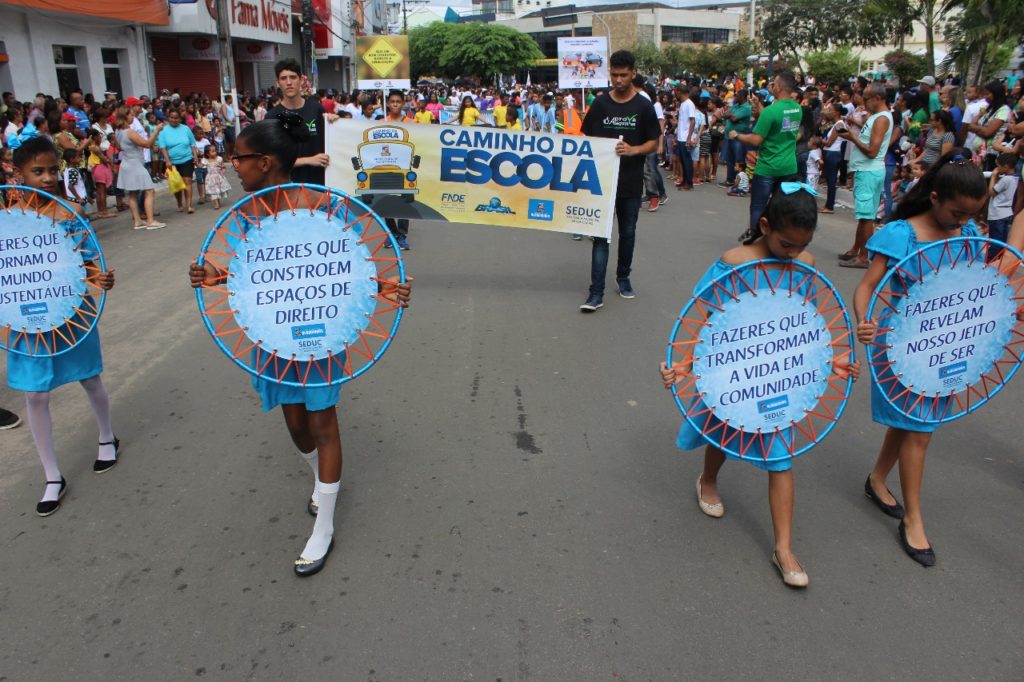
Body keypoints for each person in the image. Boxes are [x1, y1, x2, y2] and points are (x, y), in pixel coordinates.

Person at [189, 115, 411, 576]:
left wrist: (390, 288)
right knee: (295, 424)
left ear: (264, 162)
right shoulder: (244, 217)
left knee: (323, 423)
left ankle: (324, 527)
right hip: (271, 336)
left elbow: (348, 264)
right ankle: (319, 480)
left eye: (239, 159)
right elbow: (245, 278)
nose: (233, 167)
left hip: (322, 336)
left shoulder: (322, 206)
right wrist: (208, 277)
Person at [659, 186, 860, 588]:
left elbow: (807, 325)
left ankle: (783, 547)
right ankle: (709, 480)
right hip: (733, 371)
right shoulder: (733, 263)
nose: (792, 253)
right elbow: (701, 317)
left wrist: (832, 363)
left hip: (780, 375)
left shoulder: (804, 264)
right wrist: (680, 366)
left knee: (781, 458)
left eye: (801, 245)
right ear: (765, 226)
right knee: (725, 430)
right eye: (785, 243)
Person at [853, 149, 989, 567]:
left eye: (971, 214)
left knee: (911, 423)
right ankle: (913, 518)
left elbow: (975, 292)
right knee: (919, 431)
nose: (962, 220)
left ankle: (878, 479)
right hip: (900, 346)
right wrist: (865, 320)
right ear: (934, 198)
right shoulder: (900, 234)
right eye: (956, 212)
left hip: (946, 347)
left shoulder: (968, 239)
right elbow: (868, 286)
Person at [7, 136, 118, 517]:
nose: (47, 177)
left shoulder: (69, 214)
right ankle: (52, 475)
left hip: (71, 312)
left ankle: (107, 436)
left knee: (89, 377)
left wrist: (98, 279)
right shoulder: (6, 216)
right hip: (24, 322)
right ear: (17, 173)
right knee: (36, 395)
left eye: (53, 170)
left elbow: (88, 262)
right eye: (37, 171)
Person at [578, 50, 660, 312]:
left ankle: (623, 277)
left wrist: (634, 150)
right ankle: (596, 292)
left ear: (633, 74)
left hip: (629, 182)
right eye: (614, 74)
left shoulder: (644, 106)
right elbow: (585, 139)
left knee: (627, 233)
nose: (618, 80)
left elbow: (654, 143)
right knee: (601, 236)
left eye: (623, 75)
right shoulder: (601, 104)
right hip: (601, 182)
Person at [729, 71, 803, 236]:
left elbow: (756, 140)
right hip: (789, 166)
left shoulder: (771, 111)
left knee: (758, 206)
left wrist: (737, 135)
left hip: (768, 167)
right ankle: (776, 238)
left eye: (774, 84)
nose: (771, 86)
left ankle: (756, 238)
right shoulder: (797, 108)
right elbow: (776, 120)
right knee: (781, 206)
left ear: (780, 87)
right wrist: (759, 105)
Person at [837, 83, 894, 268]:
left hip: (869, 171)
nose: (863, 101)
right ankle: (856, 249)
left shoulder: (881, 119)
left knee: (866, 216)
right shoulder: (877, 117)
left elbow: (872, 151)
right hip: (868, 170)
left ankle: (863, 256)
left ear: (878, 98)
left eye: (867, 98)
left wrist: (852, 138)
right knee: (864, 215)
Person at [266, 58, 328, 185]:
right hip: (287, 189)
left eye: (293, 77)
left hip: (319, 186)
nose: (289, 82)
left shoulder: (317, 109)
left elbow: (333, 143)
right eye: (283, 78)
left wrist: (334, 121)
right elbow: (271, 160)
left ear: (301, 80)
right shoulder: (271, 117)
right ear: (278, 83)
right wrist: (308, 160)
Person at [113, 106, 165, 230]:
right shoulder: (129, 132)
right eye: (130, 115)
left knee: (133, 193)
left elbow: (118, 146)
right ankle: (150, 220)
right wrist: (156, 130)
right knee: (149, 190)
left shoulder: (118, 131)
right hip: (134, 163)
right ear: (125, 116)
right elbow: (146, 144)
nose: (133, 117)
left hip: (127, 162)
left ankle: (138, 221)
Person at [158, 107, 200, 214]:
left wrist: (195, 157)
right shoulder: (163, 131)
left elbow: (192, 144)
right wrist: (167, 161)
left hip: (187, 158)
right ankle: (179, 203)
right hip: (172, 161)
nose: (174, 120)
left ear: (180, 119)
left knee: (187, 181)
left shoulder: (186, 129)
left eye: (176, 118)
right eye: (171, 118)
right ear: (169, 118)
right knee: (177, 184)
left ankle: (189, 205)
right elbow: (163, 147)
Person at [986, 152, 1019, 245]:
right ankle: (1000, 258)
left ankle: (992, 259)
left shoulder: (1005, 180)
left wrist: (993, 176)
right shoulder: (1014, 178)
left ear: (1005, 167)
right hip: (1007, 213)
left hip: (997, 214)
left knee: (995, 242)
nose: (996, 169)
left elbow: (991, 192)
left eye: (998, 166)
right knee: (1003, 242)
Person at [721, 89, 752, 187]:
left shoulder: (746, 108)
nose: (735, 97)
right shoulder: (736, 106)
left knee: (739, 160)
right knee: (729, 160)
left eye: (737, 96)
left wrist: (729, 115)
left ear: (743, 97)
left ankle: (740, 182)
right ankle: (730, 180)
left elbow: (734, 119)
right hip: (729, 137)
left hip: (739, 138)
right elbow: (724, 115)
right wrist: (730, 115)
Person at [673, 85, 697, 190]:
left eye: (676, 92)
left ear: (679, 92)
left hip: (686, 137)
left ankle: (689, 182)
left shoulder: (689, 104)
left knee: (687, 160)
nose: (675, 95)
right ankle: (684, 180)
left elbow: (692, 121)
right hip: (681, 137)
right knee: (682, 160)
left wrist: (688, 137)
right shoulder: (682, 104)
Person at [200, 144, 230, 209]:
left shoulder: (219, 159)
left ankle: (218, 202)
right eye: (213, 151)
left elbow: (224, 167)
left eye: (215, 150)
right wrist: (196, 163)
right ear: (208, 154)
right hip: (210, 178)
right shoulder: (205, 160)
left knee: (218, 190)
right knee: (213, 191)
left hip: (218, 177)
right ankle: (216, 203)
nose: (215, 152)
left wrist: (221, 168)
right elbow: (200, 166)